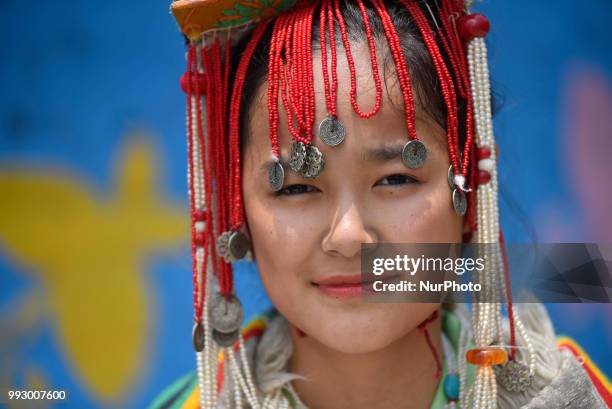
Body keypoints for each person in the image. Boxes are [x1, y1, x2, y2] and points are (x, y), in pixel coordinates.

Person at [150, 1, 611, 408]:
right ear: (238, 209)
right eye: (295, 187)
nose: (349, 237)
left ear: (469, 188)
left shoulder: (564, 395)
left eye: (396, 178)